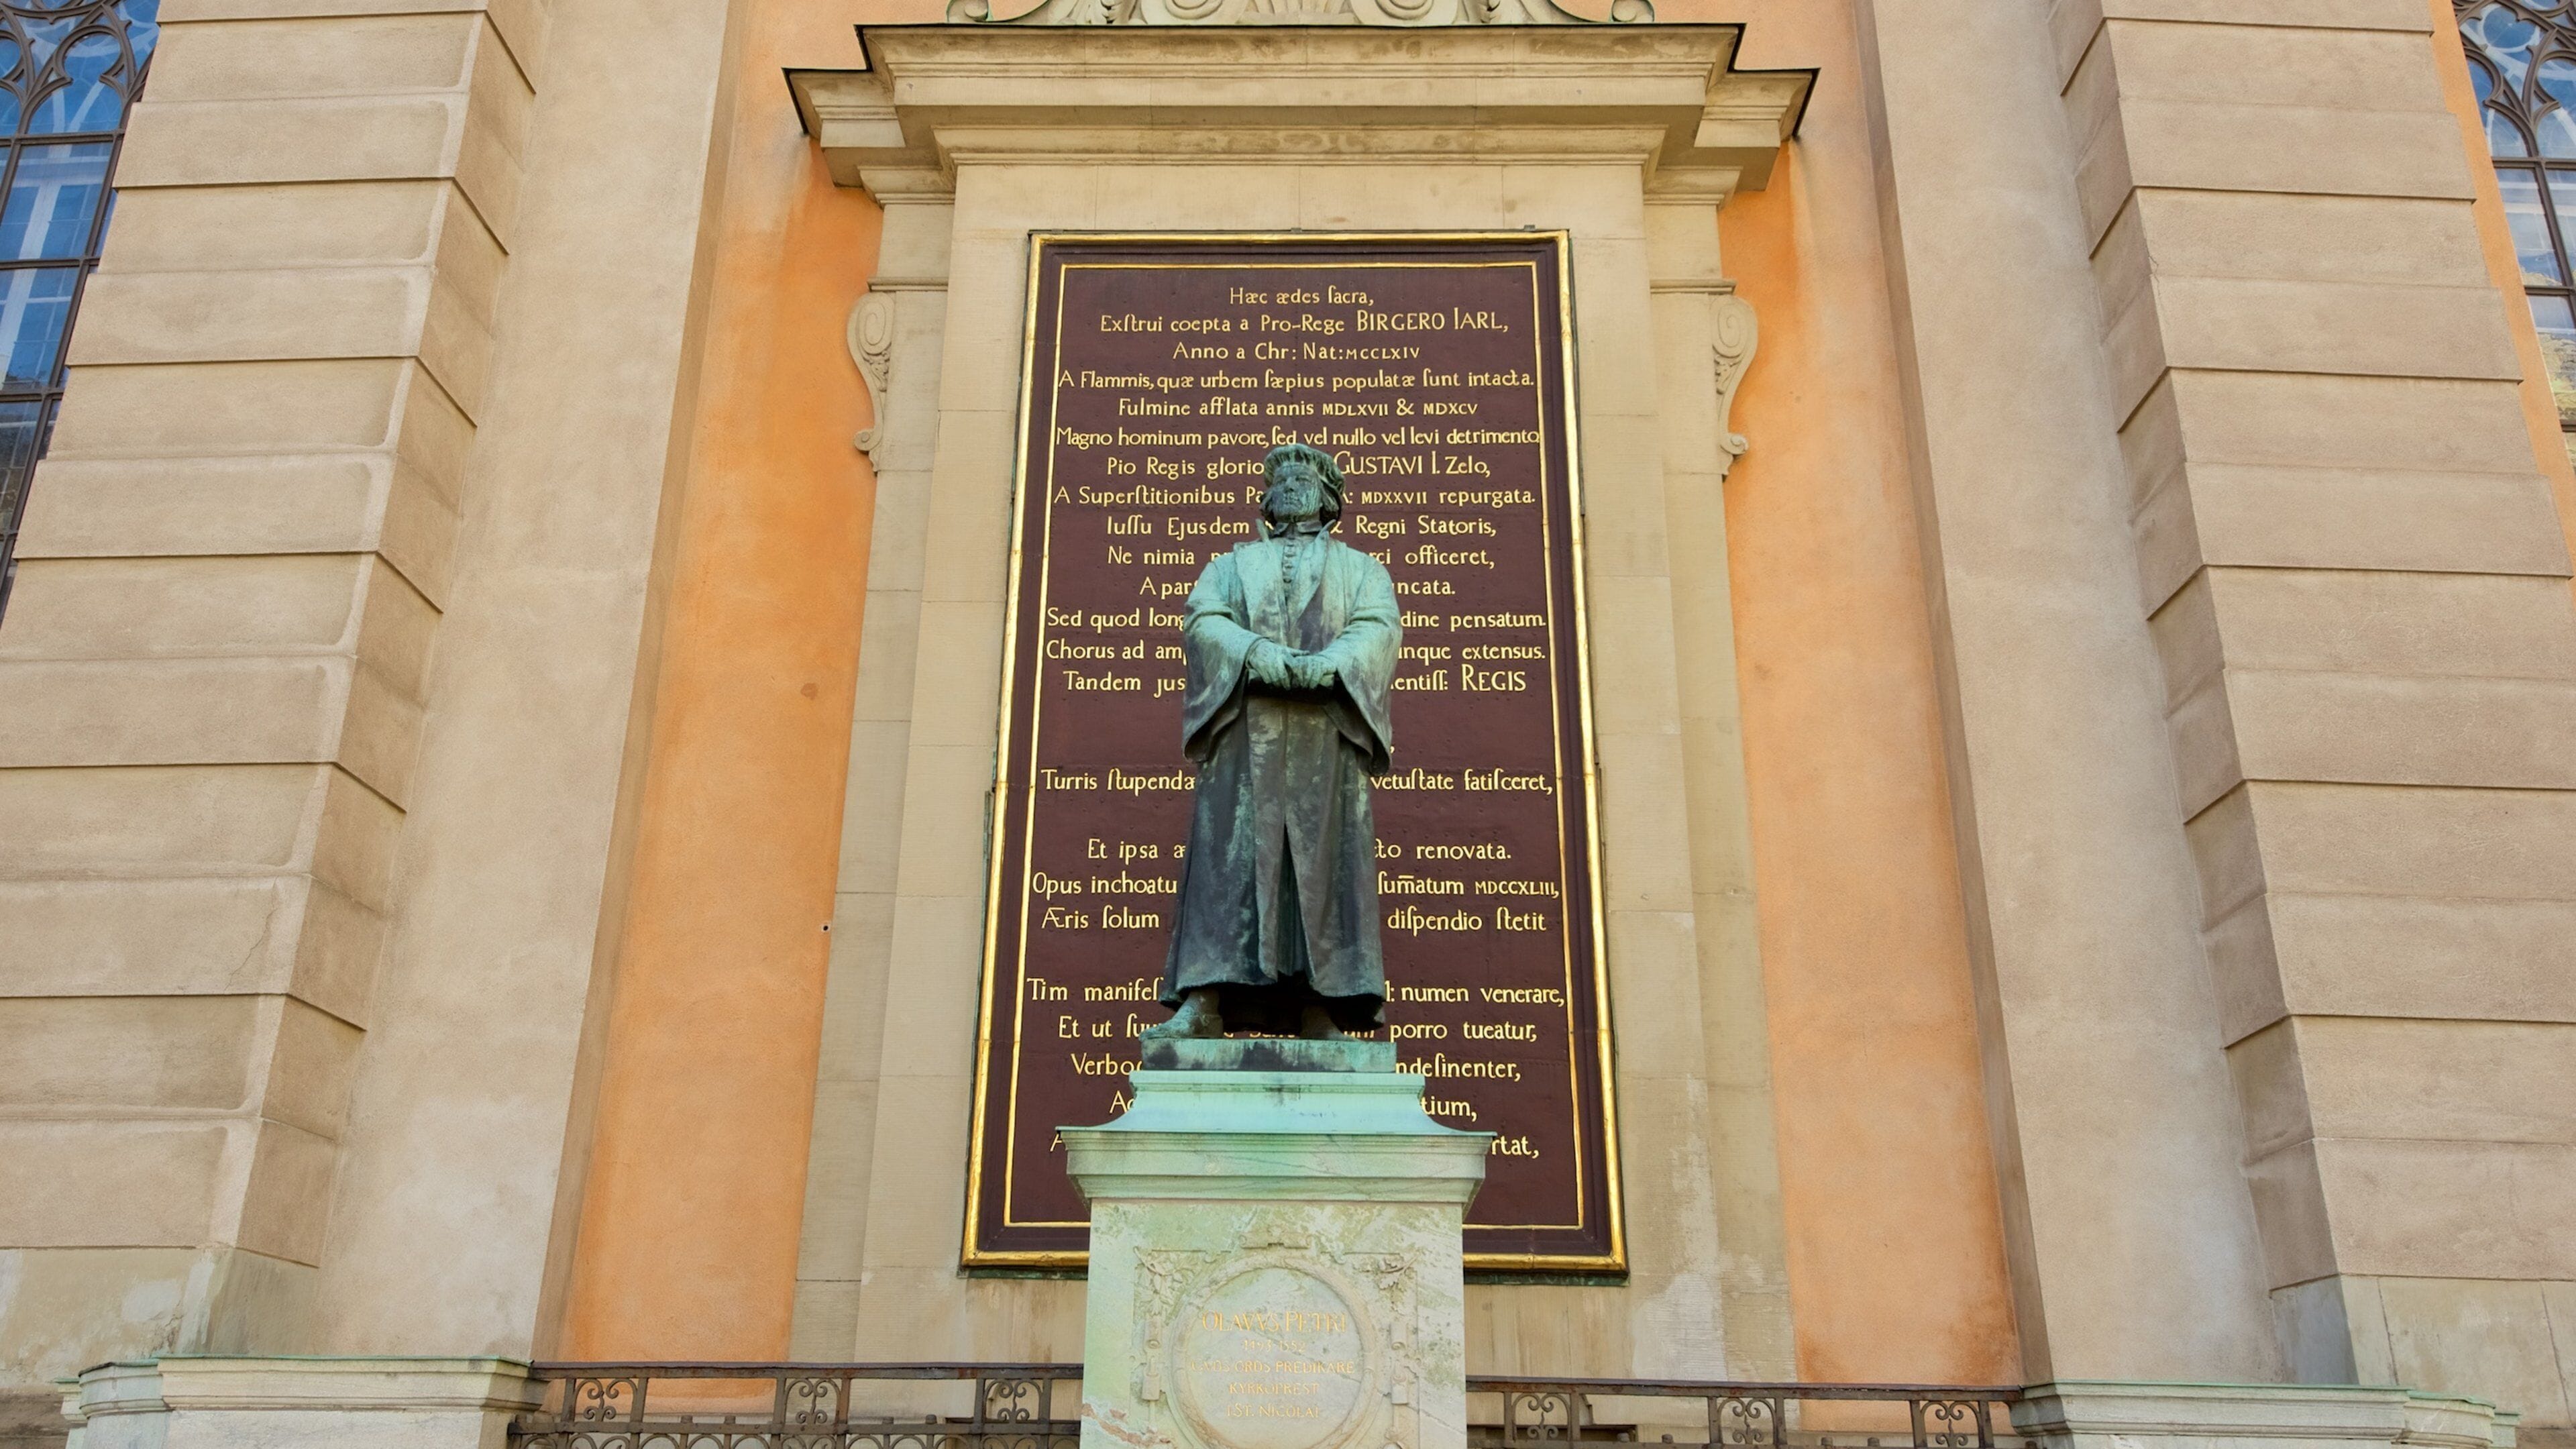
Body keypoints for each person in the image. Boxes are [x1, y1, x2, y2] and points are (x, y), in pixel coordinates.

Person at [1144, 443, 1399, 1040]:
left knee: (1322, 867)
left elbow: (1378, 626)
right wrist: (1255, 654)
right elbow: (1204, 619)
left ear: (1328, 498)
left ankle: (1320, 1004)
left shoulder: (1362, 571)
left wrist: (1333, 664)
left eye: (1302, 478)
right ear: (1264, 498)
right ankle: (1204, 997)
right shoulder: (1229, 567)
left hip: (1324, 740)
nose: (1289, 486)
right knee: (1225, 867)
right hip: (1245, 740)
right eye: (1279, 479)